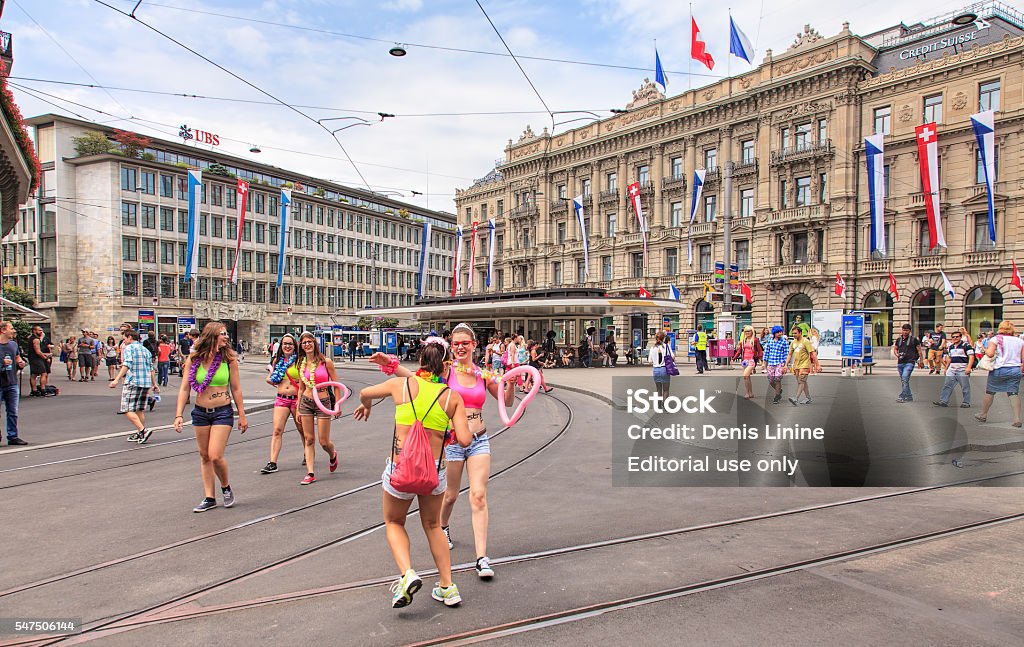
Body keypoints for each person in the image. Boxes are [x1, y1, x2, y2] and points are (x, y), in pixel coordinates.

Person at [355, 337, 472, 609]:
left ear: (420, 362)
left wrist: (367, 405)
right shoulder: (452, 398)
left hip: (401, 469)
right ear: (445, 366)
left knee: (394, 521)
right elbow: (465, 440)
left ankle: (407, 574)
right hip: (433, 471)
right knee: (433, 526)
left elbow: (365, 393)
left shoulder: (401, 385)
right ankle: (447, 586)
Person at [173, 322, 248, 512]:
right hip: (200, 412)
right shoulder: (194, 358)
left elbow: (236, 389)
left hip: (222, 411)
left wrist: (242, 414)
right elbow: (184, 388)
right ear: (212, 336)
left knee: (215, 455)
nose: (226, 337)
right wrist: (178, 415)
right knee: (204, 455)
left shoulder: (228, 358)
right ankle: (209, 497)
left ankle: (225, 486)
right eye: (222, 334)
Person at [295, 331, 342, 485]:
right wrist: (297, 408)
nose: (307, 344)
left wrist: (337, 404)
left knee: (323, 441)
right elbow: (301, 388)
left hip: (323, 401)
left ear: (315, 343)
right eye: (304, 343)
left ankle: (332, 454)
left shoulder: (325, 362)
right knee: (309, 438)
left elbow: (336, 384)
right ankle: (310, 472)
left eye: (309, 341)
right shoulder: (300, 363)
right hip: (306, 402)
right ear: (301, 346)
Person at [261, 333, 302, 474]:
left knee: (302, 430)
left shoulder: (299, 361)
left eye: (290, 344)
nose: (287, 346)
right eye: (285, 344)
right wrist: (273, 378)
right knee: (277, 430)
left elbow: (306, 378)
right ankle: (272, 462)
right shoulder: (277, 361)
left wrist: (298, 382)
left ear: (294, 346)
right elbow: (269, 378)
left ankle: (307, 452)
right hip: (281, 399)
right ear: (281, 346)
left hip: (297, 399)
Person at [974, 320, 1024, 427]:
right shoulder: (1019, 341)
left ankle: (983, 414)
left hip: (1000, 369)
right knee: (1013, 393)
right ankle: (1016, 419)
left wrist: (985, 350)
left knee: (990, 391)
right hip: (1015, 369)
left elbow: (990, 354)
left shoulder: (996, 339)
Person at [109, 328, 155, 444]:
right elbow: (151, 369)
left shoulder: (129, 348)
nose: (123, 341)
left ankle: (143, 431)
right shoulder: (145, 350)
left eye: (124, 338)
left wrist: (116, 379)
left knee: (127, 409)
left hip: (133, 381)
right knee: (139, 409)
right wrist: (154, 384)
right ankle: (140, 433)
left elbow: (127, 364)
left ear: (130, 337)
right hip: (145, 382)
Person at [0, 321, 27, 445]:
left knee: (13, 411)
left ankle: (13, 436)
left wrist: (21, 363)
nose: (13, 330)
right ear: (3, 330)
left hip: (12, 382)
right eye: (11, 328)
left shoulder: (13, 345)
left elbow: (17, 358)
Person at [933, 328, 974, 408]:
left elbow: (971, 357)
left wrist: (968, 368)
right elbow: (949, 358)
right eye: (953, 337)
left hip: (962, 369)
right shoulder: (951, 347)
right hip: (952, 369)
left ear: (960, 337)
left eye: (957, 337)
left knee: (965, 386)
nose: (955, 338)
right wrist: (946, 368)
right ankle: (943, 401)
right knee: (947, 385)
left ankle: (966, 402)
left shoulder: (966, 346)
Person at [893, 324, 922, 403]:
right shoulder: (899, 340)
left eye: (906, 330)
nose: (905, 332)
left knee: (905, 379)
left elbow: (919, 351)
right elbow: (895, 349)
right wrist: (897, 355)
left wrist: (921, 361)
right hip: (900, 362)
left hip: (910, 362)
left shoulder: (914, 340)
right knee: (904, 380)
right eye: (903, 330)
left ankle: (902, 396)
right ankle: (909, 396)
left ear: (910, 331)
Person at [733, 326, 764, 399]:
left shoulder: (755, 340)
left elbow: (759, 351)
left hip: (752, 360)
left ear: (752, 332)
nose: (747, 333)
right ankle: (750, 393)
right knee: (747, 377)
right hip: (745, 361)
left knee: (745, 375)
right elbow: (739, 351)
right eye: (746, 331)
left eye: (749, 331)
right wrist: (733, 358)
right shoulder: (743, 340)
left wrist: (762, 362)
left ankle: (747, 393)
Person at [786, 326, 814, 405]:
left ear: (800, 333)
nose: (794, 335)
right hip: (796, 365)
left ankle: (796, 398)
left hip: (805, 364)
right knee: (802, 382)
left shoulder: (805, 341)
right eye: (793, 333)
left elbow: (812, 353)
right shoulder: (793, 342)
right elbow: (789, 354)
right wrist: (786, 365)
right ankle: (808, 398)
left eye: (795, 333)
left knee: (801, 381)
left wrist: (817, 365)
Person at [763, 326, 789, 404]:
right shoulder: (770, 341)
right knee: (771, 380)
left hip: (779, 363)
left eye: (781, 332)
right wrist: (764, 363)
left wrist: (785, 364)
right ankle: (779, 390)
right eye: (778, 332)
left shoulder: (784, 342)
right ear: (774, 333)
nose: (780, 333)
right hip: (771, 362)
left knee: (777, 379)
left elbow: (786, 353)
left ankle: (777, 396)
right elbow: (766, 352)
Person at [28, 326, 53, 397]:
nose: (41, 332)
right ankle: (43, 390)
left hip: (32, 358)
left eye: (41, 330)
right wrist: (45, 357)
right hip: (37, 359)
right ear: (34, 331)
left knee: (34, 375)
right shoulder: (36, 340)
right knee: (44, 374)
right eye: (39, 330)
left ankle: (34, 390)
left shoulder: (31, 338)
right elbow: (38, 352)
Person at [649, 331, 673, 399]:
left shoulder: (652, 348)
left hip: (656, 370)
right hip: (664, 369)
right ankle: (665, 405)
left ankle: (658, 405)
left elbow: (649, 361)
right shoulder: (666, 347)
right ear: (664, 338)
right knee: (666, 389)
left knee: (658, 389)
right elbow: (672, 356)